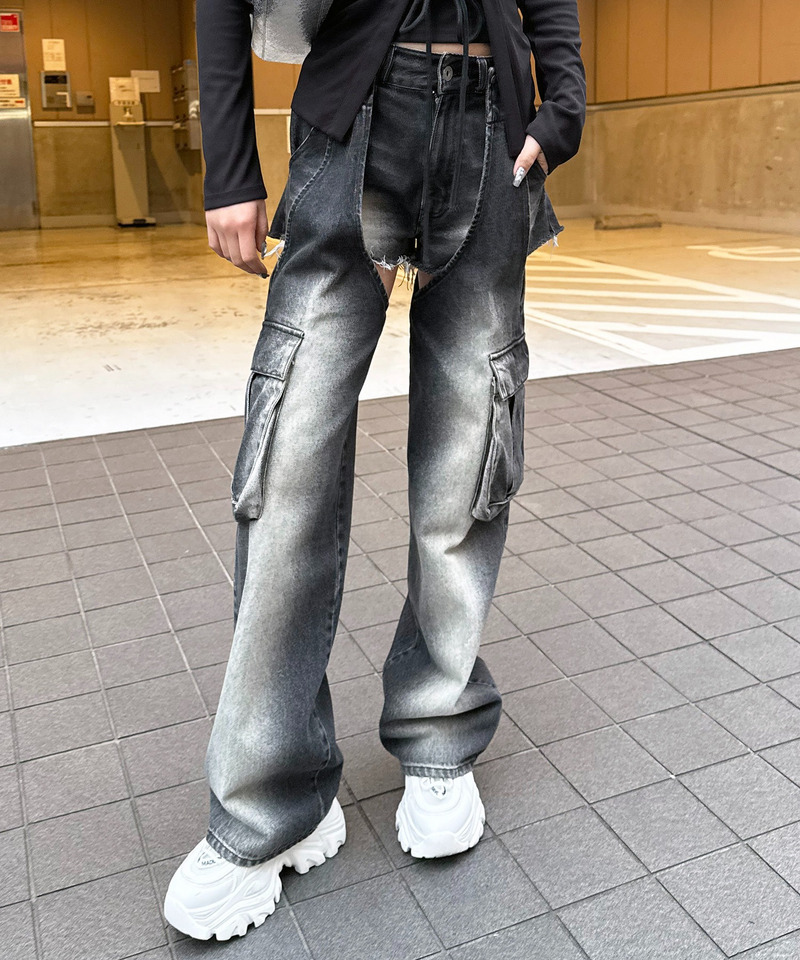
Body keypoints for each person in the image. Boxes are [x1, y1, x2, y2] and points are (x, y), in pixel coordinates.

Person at [164, 0, 585, 941]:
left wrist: (563, 101)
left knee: (469, 455)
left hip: (493, 122)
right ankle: (269, 799)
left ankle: (440, 736)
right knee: (290, 460)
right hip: (355, 112)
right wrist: (229, 163)